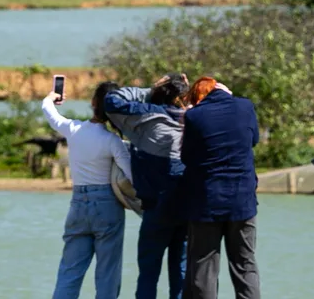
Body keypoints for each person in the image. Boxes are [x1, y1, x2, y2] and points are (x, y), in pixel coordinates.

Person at [43, 82, 133, 299]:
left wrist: (52, 96)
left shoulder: (73, 129)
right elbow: (133, 176)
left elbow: (47, 109)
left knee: (69, 272)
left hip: (78, 204)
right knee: (107, 273)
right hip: (108, 207)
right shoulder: (113, 141)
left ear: (93, 103)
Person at [105, 73, 190, 299]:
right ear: (183, 98)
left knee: (148, 273)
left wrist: (151, 89)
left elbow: (111, 101)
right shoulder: (195, 121)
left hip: (155, 209)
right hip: (187, 209)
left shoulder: (145, 121)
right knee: (181, 272)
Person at [181, 77, 260, 299]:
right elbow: (253, 139)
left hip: (207, 201)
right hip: (242, 200)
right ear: (224, 90)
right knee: (245, 265)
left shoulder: (194, 116)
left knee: (204, 267)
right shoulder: (245, 106)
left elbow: (186, 157)